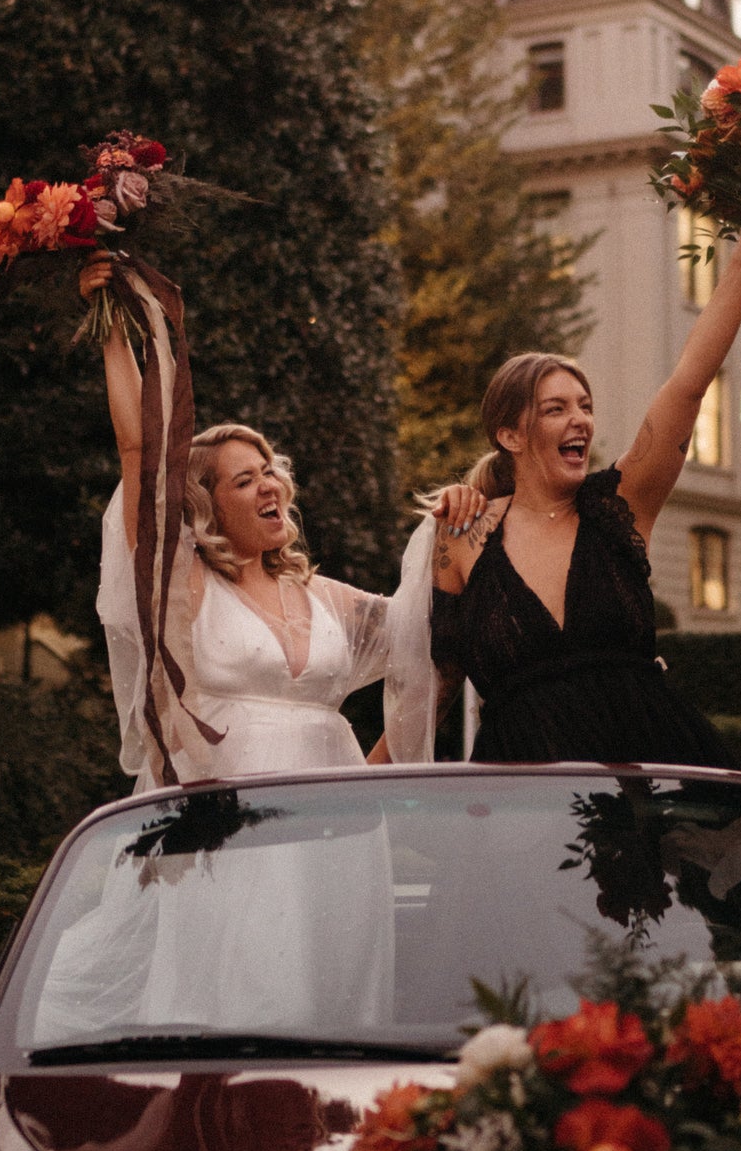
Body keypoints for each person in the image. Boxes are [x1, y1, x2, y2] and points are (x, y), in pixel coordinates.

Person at [80, 257, 481, 785]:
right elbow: (140, 450)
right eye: (244, 481)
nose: (270, 485)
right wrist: (111, 325)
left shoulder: (331, 601)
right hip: (221, 828)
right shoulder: (185, 586)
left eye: (269, 472)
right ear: (206, 507)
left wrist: (455, 516)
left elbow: (435, 643)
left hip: (335, 826)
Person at [431, 197, 741, 765]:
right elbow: (439, 682)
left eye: (585, 405)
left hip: (643, 767)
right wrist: (366, 776)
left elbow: (690, 382)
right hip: (522, 787)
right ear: (511, 435)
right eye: (555, 409)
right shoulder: (463, 534)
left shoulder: (620, 503)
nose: (580, 420)